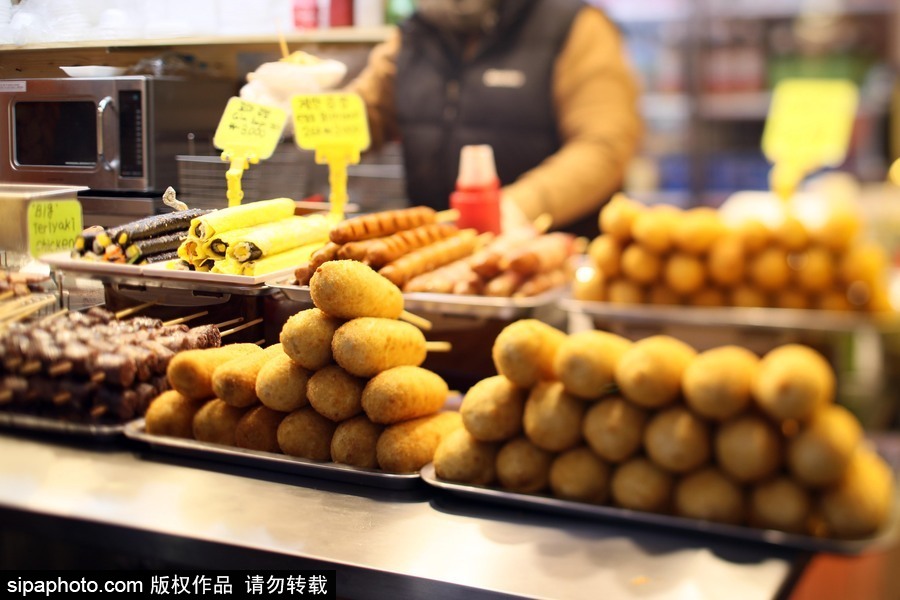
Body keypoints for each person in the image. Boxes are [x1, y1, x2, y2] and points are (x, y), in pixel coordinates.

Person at [345, 0, 643, 236]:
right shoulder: (416, 31)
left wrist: (518, 206)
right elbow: (364, 112)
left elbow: (604, 144)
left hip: (550, 258)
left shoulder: (574, 25)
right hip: (434, 260)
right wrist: (304, 111)